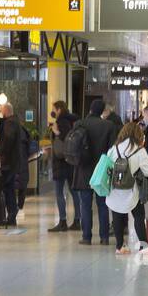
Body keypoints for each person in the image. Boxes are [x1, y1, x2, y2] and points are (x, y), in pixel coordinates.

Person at [106, 121, 148, 256]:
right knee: (139, 217)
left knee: (116, 215)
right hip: (131, 189)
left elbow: (108, 168)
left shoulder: (114, 149)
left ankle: (119, 246)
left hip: (115, 188)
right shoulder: (140, 150)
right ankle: (144, 246)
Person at [72, 98, 117, 244]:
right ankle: (104, 237)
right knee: (102, 204)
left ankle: (86, 236)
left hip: (83, 169)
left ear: (90, 109)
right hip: (101, 171)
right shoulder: (108, 126)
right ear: (103, 110)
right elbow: (112, 150)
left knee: (85, 205)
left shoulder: (79, 124)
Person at [47, 100, 77, 233]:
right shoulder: (73, 120)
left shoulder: (61, 122)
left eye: (54, 109)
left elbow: (65, 137)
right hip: (70, 162)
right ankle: (78, 220)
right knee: (74, 192)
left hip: (60, 162)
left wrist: (56, 132)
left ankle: (63, 221)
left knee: (59, 193)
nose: (52, 111)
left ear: (59, 109)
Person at [0, 103, 23, 227]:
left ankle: (11, 213)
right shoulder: (14, 122)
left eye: (0, 111)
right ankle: (11, 215)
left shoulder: (9, 123)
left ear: (6, 111)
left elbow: (8, 140)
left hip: (8, 162)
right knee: (9, 188)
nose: (0, 113)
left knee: (6, 188)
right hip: (12, 162)